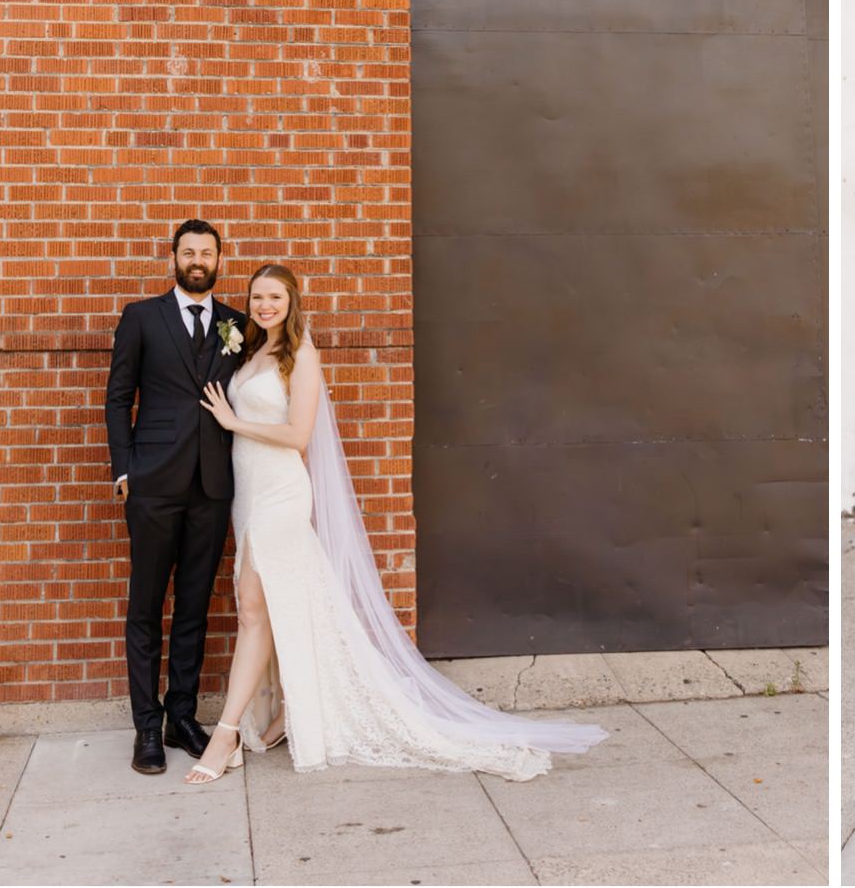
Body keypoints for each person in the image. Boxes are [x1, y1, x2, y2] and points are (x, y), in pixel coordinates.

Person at [181, 262, 606, 784]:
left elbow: (298, 436)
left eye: (274, 297)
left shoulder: (302, 357)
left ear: (292, 302)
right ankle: (277, 717)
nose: (265, 305)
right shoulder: (250, 351)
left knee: (252, 610)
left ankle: (225, 734)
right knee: (263, 609)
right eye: (257, 297)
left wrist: (233, 421)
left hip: (280, 495)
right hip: (247, 495)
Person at [105, 219, 248, 775]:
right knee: (145, 607)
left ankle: (181, 717)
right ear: (173, 257)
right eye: (187, 252)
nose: (196, 260)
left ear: (218, 260)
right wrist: (124, 469)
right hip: (153, 484)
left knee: (193, 606)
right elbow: (119, 398)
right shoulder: (142, 317)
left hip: (212, 486)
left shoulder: (237, 322)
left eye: (206, 253)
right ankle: (146, 727)